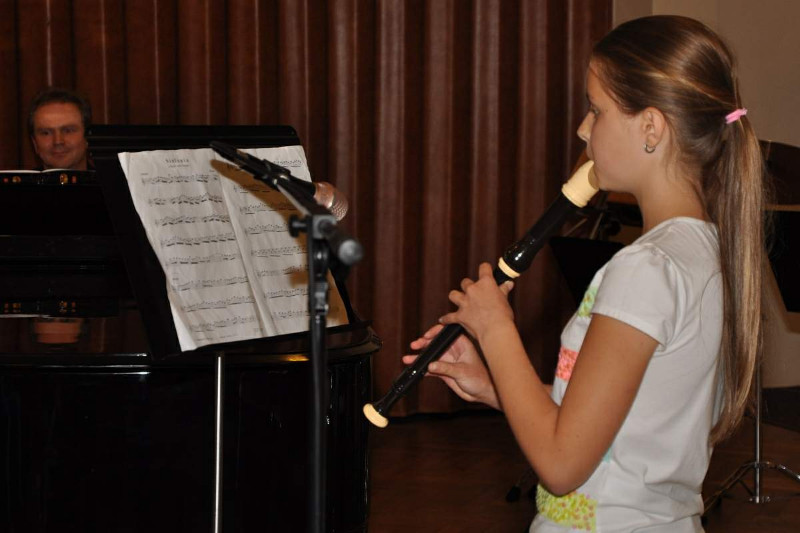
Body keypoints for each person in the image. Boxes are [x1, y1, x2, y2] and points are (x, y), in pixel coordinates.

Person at [404, 15, 767, 532]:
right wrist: (495, 385)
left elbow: (561, 465)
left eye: (596, 110)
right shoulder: (704, 253)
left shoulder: (645, 270)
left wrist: (496, 328)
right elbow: (616, 424)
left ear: (651, 128)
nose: (583, 128)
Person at [28, 87, 92, 170]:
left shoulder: (108, 178)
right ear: (35, 143)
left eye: (68, 131)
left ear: (87, 138)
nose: (58, 141)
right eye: (46, 133)